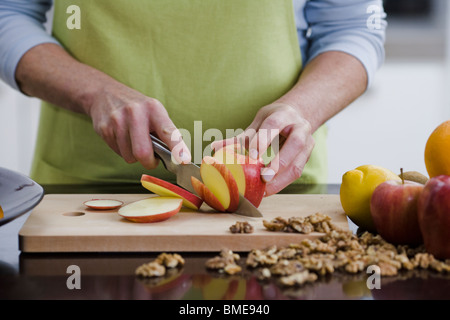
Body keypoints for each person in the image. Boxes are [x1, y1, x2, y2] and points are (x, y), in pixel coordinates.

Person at [0, 0, 386, 196]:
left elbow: (354, 28)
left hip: (276, 197)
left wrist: (302, 109)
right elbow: (8, 13)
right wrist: (93, 93)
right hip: (85, 198)